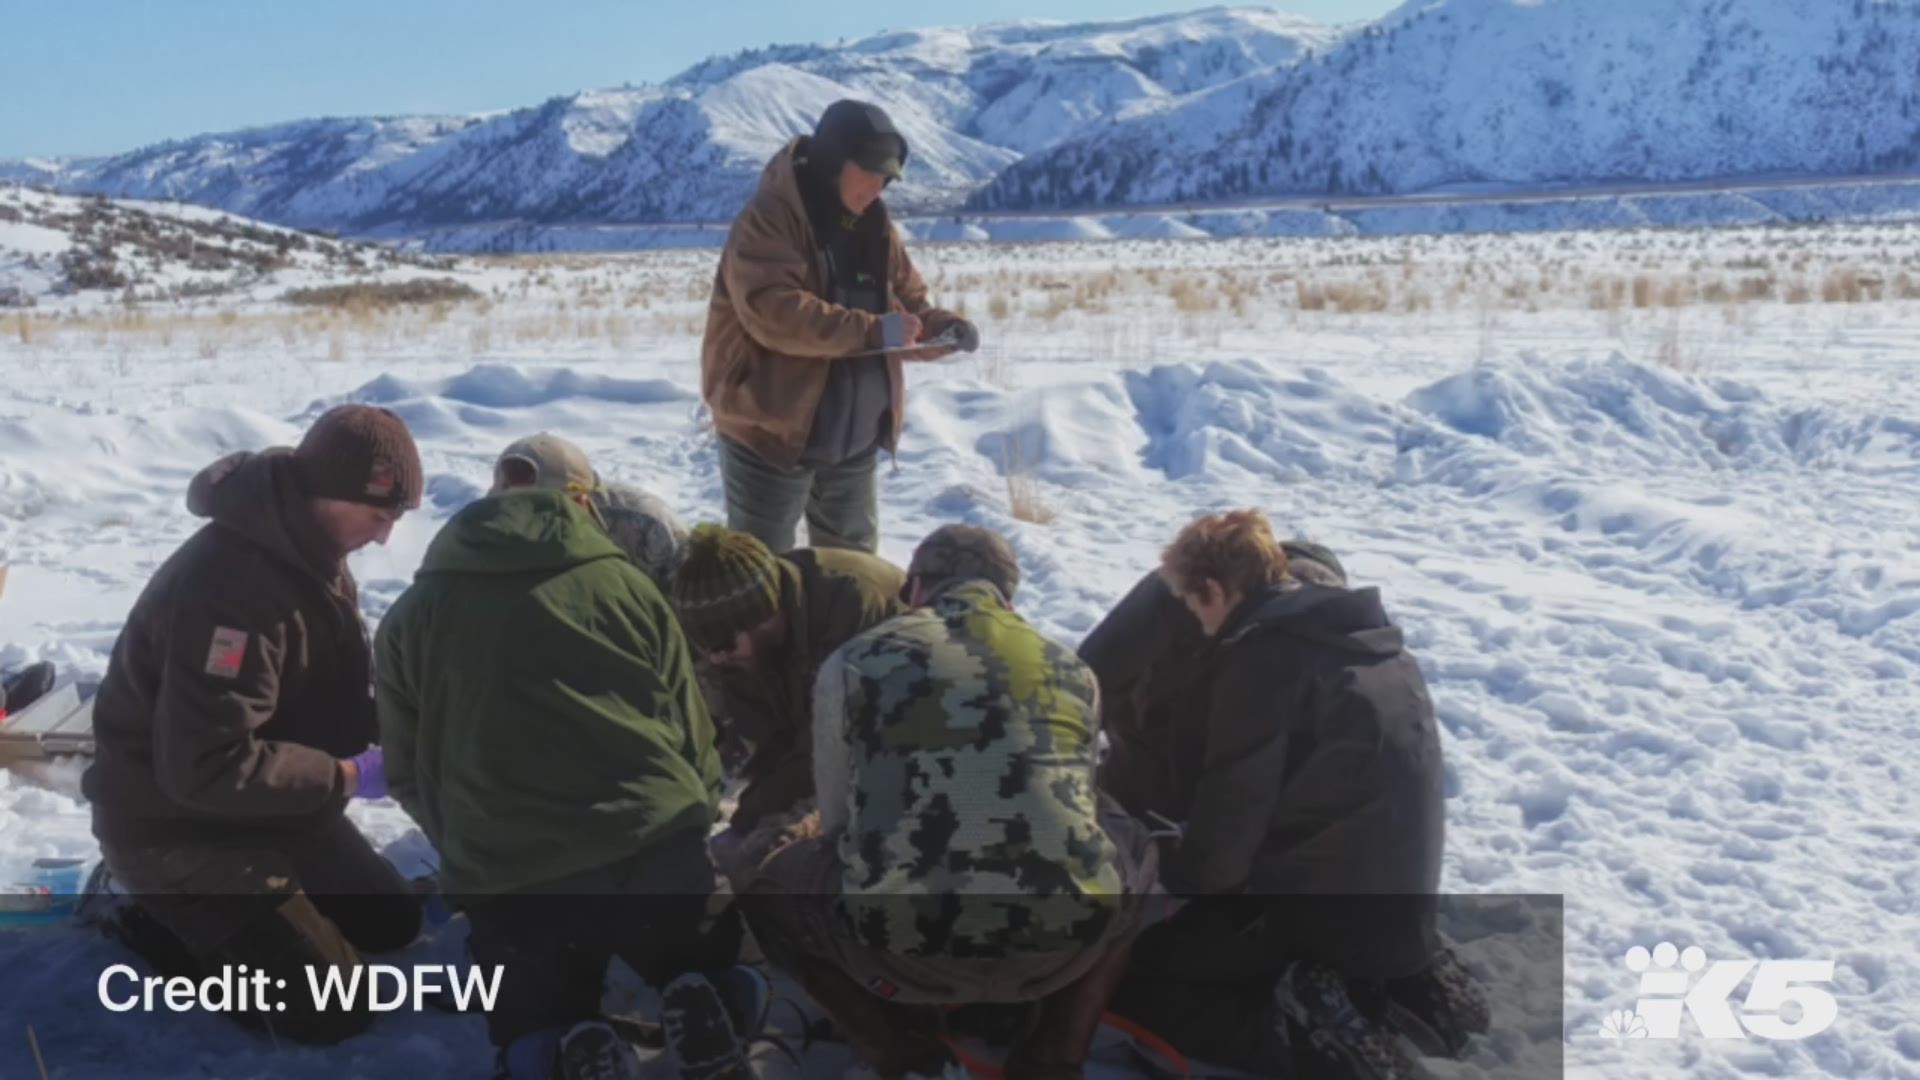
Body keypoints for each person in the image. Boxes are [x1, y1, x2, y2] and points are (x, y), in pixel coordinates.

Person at [377, 435, 762, 1080]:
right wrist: (686, 834)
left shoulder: (409, 617)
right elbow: (694, 739)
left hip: (515, 876)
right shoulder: (627, 585)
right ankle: (703, 992)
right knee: (732, 975)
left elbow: (407, 772)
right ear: (584, 503)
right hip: (655, 849)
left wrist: (470, 849)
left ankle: (566, 1045)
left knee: (528, 1028)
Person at [739, 525, 1157, 1079]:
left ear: (914, 590)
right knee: (1134, 855)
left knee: (767, 885)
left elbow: (839, 824)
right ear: (1009, 598)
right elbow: (1076, 807)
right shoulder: (1070, 667)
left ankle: (898, 1051)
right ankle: (1056, 1053)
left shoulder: (857, 658)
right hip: (1058, 949)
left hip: (899, 949)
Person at [1085, 512, 1476, 1078]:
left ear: (1215, 590)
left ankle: (1292, 1030)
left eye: (1194, 608)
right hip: (1401, 910)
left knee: (1138, 974)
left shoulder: (1264, 656)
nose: (1197, 625)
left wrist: (1161, 870)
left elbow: (1225, 840)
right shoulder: (1367, 640)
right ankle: (1391, 985)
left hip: (1314, 920)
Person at [83, 405, 425, 1045]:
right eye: (379, 516)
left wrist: (402, 725)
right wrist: (346, 776)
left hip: (260, 810)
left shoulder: (305, 543)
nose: (384, 537)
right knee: (335, 1010)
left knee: (394, 924)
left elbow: (317, 683)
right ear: (329, 493)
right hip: (174, 828)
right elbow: (205, 766)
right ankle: (151, 918)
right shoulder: (230, 593)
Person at [702, 98, 979, 555]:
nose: (879, 186)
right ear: (833, 161)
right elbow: (775, 313)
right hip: (771, 433)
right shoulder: (769, 219)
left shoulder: (874, 224)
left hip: (852, 437)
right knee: (760, 575)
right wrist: (875, 333)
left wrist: (940, 329)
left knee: (852, 576)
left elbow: (906, 304)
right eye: (869, 171)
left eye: (887, 176)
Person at [668, 524, 903, 869]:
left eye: (722, 645)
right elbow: (765, 733)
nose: (717, 658)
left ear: (763, 615)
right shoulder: (742, 638)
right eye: (707, 648)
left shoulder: (852, 605)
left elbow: (830, 746)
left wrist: (754, 813)